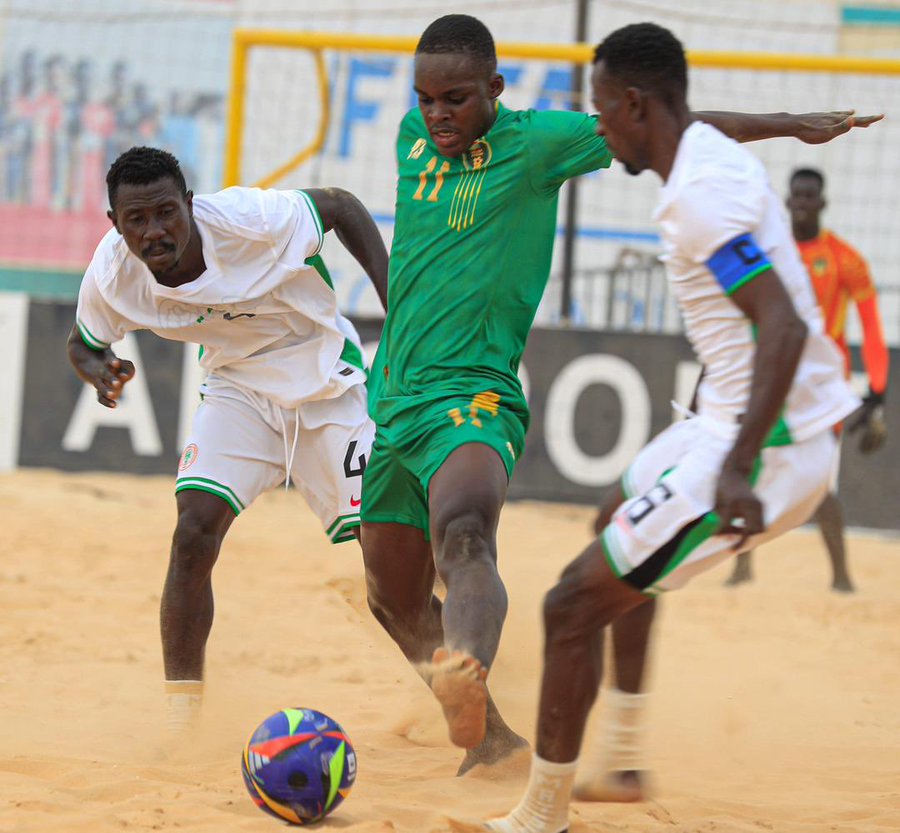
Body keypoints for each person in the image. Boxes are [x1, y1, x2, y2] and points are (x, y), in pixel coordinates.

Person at [358, 12, 880, 776]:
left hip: (473, 393)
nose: (439, 114)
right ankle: (491, 735)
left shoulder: (538, 142)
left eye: (458, 99)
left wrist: (792, 126)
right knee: (391, 596)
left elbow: (666, 123)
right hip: (393, 397)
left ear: (495, 91)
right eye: (427, 98)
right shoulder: (413, 131)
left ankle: (467, 662)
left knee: (465, 535)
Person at [482, 22, 864, 833]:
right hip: (728, 423)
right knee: (609, 520)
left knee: (568, 604)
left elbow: (785, 328)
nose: (598, 129)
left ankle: (540, 816)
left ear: (633, 104)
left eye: (601, 112)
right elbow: (710, 125)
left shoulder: (698, 198)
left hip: (766, 451)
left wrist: (737, 467)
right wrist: (792, 123)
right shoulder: (704, 153)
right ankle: (621, 760)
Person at [67, 146, 388, 732]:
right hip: (237, 386)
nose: (154, 230)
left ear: (190, 204)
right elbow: (84, 343)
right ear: (115, 225)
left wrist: (401, 307)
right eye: (135, 220)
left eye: (166, 212)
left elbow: (341, 206)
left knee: (388, 559)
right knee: (192, 531)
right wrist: (99, 372)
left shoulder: (248, 221)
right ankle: (183, 720)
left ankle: (457, 685)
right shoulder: (113, 273)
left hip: (322, 374)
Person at [725, 166, 889, 591]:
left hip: (822, 386)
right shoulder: (769, 254)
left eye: (808, 196)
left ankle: (841, 577)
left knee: (818, 479)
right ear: (787, 200)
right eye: (794, 196)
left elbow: (872, 326)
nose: (800, 203)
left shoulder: (845, 259)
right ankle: (741, 566)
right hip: (772, 375)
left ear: (822, 203)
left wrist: (877, 390)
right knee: (751, 463)